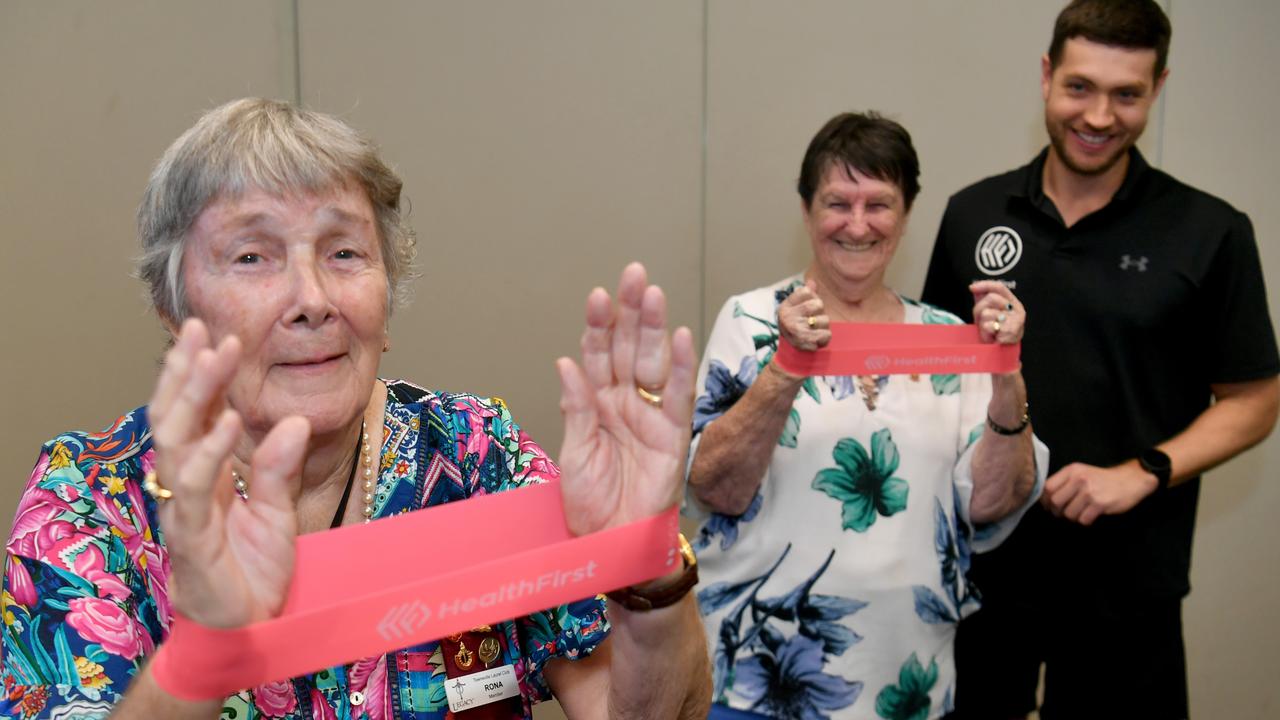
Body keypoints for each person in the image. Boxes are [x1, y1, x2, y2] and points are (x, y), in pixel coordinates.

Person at [0, 98, 711, 719]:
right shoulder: (91, 506)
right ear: (173, 306)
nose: (313, 300)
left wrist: (644, 560)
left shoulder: (470, 454)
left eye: (344, 252)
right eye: (252, 257)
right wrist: (205, 658)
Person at [920, 1, 1280, 717]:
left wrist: (1142, 473)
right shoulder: (972, 214)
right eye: (1080, 86)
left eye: (1128, 94)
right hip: (981, 574)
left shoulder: (1209, 232)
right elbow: (934, 379)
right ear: (1047, 76)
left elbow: (1256, 399)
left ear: (1159, 87)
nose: (1099, 115)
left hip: (1130, 583)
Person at [685, 111, 1047, 720]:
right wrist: (786, 367)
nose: (857, 225)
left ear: (906, 215)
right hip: (754, 678)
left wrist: (1006, 370)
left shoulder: (951, 338)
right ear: (806, 212)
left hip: (907, 681)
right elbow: (713, 487)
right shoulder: (750, 322)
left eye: (879, 203)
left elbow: (991, 502)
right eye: (837, 203)